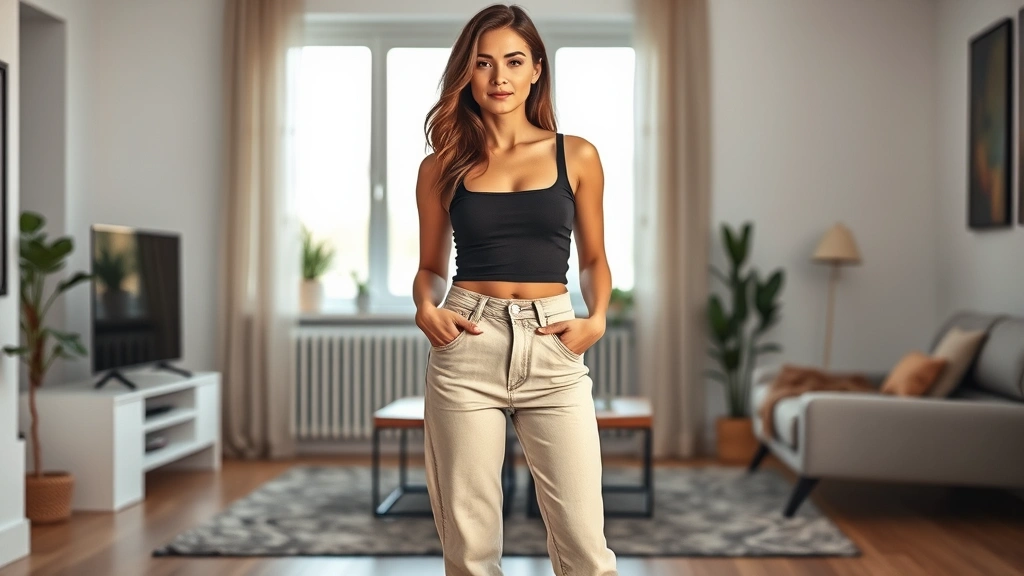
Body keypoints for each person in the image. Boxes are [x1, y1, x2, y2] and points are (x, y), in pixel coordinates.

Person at [412, 4, 619, 576]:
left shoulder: (575, 154)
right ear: (466, 73)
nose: (498, 77)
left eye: (513, 61)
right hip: (466, 341)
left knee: (585, 546)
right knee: (471, 549)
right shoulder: (441, 166)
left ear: (536, 70)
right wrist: (424, 305)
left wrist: (597, 317)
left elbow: (595, 258)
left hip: (553, 342)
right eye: (482, 63)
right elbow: (430, 265)